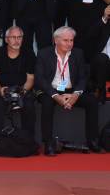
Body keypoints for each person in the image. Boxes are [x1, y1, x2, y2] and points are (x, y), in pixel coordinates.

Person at [35, 26, 103, 155]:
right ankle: (48, 143)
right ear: (56, 40)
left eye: (71, 40)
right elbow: (40, 79)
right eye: (66, 40)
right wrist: (56, 96)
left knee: (92, 101)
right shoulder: (44, 53)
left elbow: (83, 77)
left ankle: (93, 140)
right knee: (47, 104)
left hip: (71, 90)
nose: (69, 43)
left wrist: (75, 95)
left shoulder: (78, 53)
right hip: (50, 90)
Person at [0, 26, 36, 141]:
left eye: (19, 37)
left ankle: (28, 141)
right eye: (13, 37)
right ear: (6, 39)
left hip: (22, 89)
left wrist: (23, 91)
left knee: (29, 106)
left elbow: (30, 78)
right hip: (1, 89)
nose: (16, 40)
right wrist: (1, 90)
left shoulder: (29, 54)